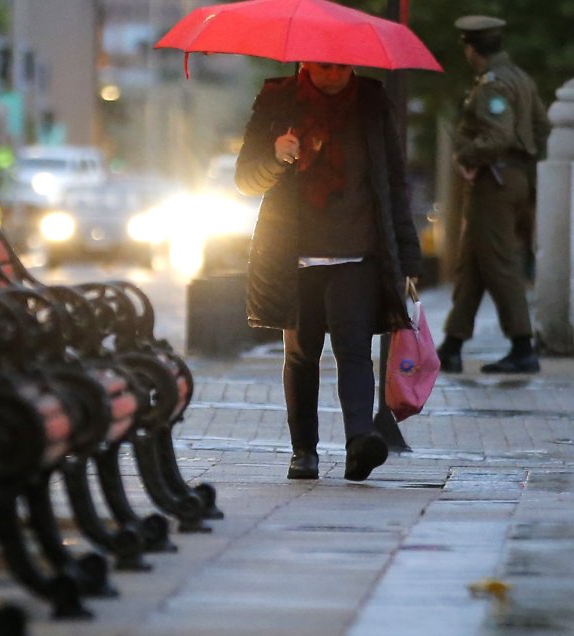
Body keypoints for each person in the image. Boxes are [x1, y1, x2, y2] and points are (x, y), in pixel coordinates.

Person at [235, 62, 422, 482]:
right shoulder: (278, 101)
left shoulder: (371, 103)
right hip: (292, 253)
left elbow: (393, 183)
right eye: (323, 65)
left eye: (341, 65)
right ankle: (304, 452)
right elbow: (246, 179)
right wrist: (277, 156)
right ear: (304, 62)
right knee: (301, 355)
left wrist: (409, 258)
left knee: (354, 350)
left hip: (356, 253)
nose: (333, 73)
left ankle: (360, 442)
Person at [436, 15, 550, 375]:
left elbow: (498, 136)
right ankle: (452, 345)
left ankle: (522, 346)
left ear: (470, 48)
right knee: (473, 265)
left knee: (499, 263)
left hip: (492, 182)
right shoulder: (522, 79)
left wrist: (466, 156)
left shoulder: (492, 85)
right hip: (513, 179)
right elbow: (541, 128)